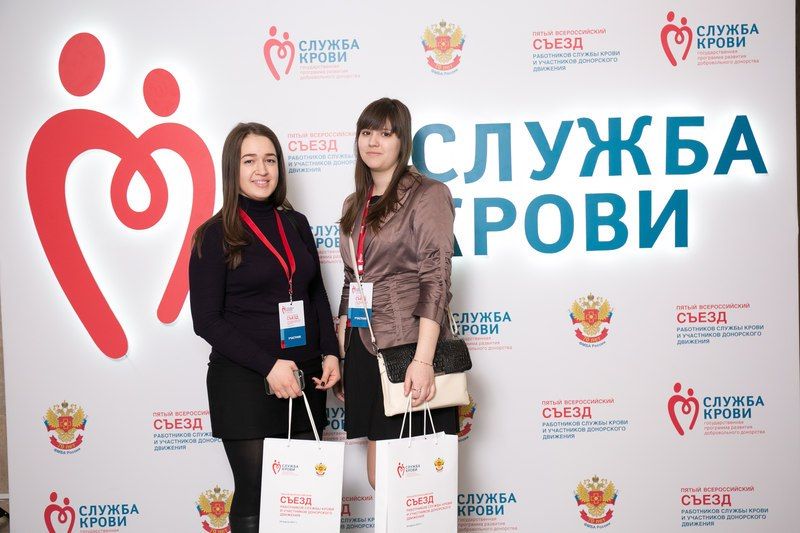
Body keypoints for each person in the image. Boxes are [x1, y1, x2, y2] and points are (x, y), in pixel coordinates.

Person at [189, 122, 340, 533]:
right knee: (256, 494)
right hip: (245, 382)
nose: (262, 170)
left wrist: (330, 351)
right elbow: (206, 320)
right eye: (250, 160)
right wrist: (268, 366)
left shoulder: (296, 224)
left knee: (305, 498)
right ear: (232, 169)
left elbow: (315, 294)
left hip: (305, 377)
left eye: (270, 160)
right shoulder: (213, 235)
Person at [335, 98, 459, 488]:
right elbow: (351, 279)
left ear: (402, 141)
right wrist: (343, 352)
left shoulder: (428, 194)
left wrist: (423, 360)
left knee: (415, 485)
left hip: (407, 348)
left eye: (386, 134)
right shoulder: (355, 203)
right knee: (381, 480)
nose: (373, 142)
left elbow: (436, 280)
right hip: (364, 348)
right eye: (366, 132)